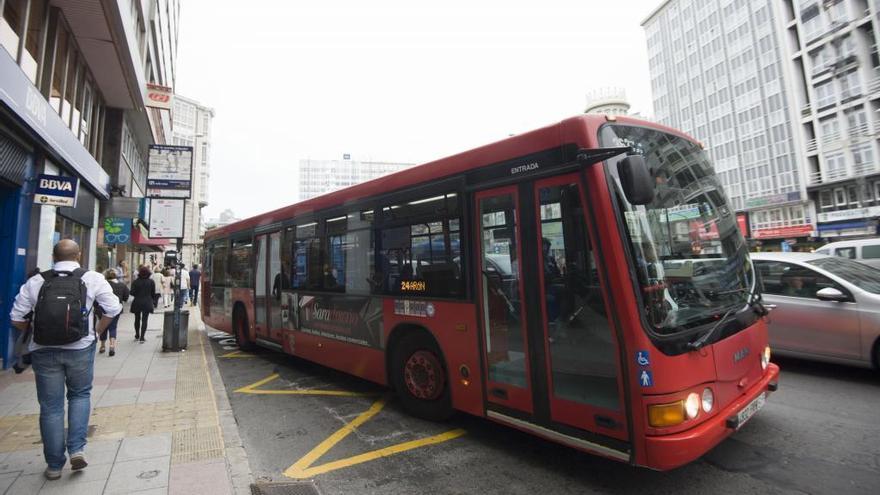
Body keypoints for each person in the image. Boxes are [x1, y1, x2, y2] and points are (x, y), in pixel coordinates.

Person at [8, 239, 121, 480]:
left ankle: (54, 465)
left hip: (43, 349)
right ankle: (77, 449)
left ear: (53, 256)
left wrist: (37, 330)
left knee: (51, 407)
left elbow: (16, 318)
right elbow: (113, 308)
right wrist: (96, 333)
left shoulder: (37, 281)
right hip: (80, 347)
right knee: (80, 395)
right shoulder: (92, 278)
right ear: (79, 255)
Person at [98, 270, 129, 356]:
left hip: (103, 309)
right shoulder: (121, 285)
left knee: (103, 326)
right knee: (113, 327)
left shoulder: (103, 285)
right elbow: (126, 297)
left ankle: (103, 346)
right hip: (116, 309)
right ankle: (112, 345)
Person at [130, 266, 155, 342]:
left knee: (137, 319)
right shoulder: (151, 282)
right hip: (147, 302)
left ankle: (137, 334)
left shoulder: (135, 282)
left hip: (137, 301)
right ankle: (142, 337)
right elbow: (153, 293)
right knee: (145, 319)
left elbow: (132, 292)